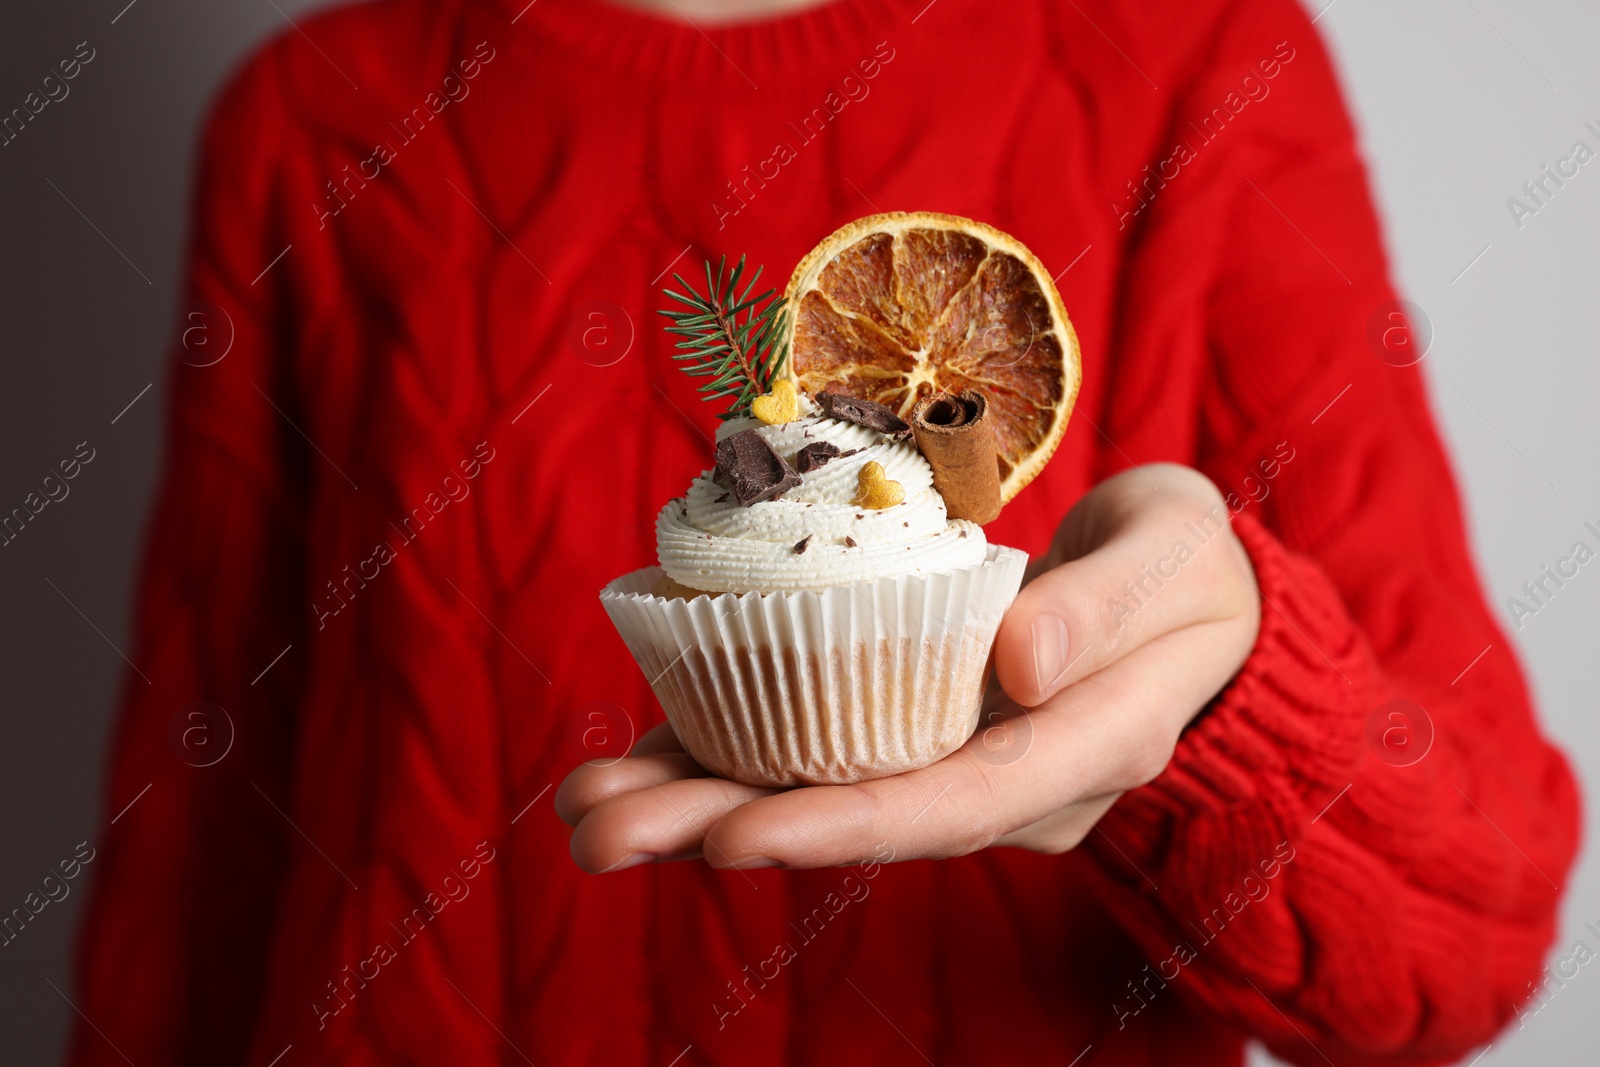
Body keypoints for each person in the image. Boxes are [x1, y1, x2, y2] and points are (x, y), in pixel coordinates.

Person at [68, 0, 1579, 1064]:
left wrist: (1224, 710)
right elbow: (196, 840)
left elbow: (1467, 946)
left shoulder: (1197, 62)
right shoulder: (317, 121)